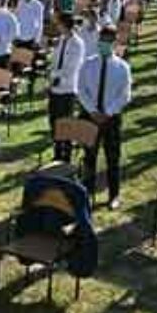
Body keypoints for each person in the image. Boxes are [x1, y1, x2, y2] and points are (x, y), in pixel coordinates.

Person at [77, 26, 131, 208]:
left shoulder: (122, 67)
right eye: (102, 41)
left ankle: (114, 195)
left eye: (108, 42)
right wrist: (92, 110)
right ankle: (87, 191)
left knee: (112, 157)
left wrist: (107, 112)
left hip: (111, 118)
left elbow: (124, 95)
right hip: (90, 115)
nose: (104, 45)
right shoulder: (88, 64)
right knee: (89, 156)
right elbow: (81, 89)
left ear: (115, 43)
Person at [49, 14, 86, 164]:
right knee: (54, 121)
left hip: (68, 88)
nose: (57, 27)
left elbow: (71, 67)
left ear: (65, 25)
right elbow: (55, 61)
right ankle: (57, 152)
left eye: (59, 24)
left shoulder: (77, 44)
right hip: (55, 88)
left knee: (66, 122)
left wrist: (56, 76)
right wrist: (52, 75)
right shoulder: (61, 41)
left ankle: (67, 154)